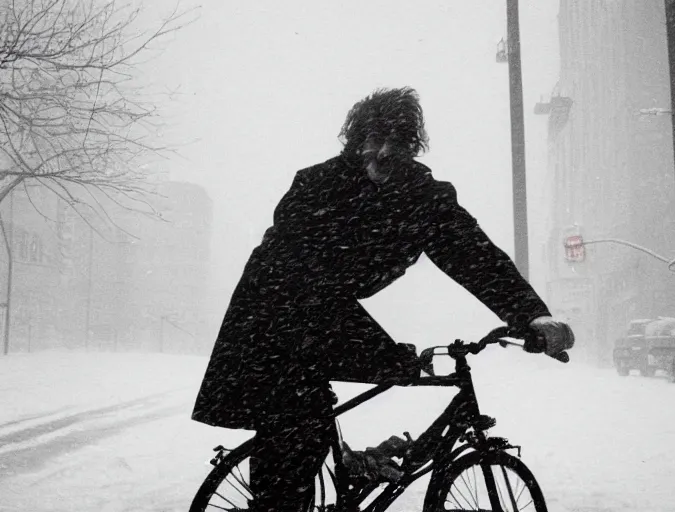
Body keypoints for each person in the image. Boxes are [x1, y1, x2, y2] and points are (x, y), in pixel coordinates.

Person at [191, 87, 574, 512]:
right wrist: (383, 352)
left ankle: (352, 467)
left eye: (396, 142)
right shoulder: (317, 186)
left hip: (321, 314)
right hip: (271, 319)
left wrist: (532, 316)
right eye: (373, 139)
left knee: (321, 416)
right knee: (294, 435)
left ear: (411, 147)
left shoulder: (422, 198)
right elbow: (299, 282)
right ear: (355, 141)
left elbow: (476, 257)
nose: (383, 152)